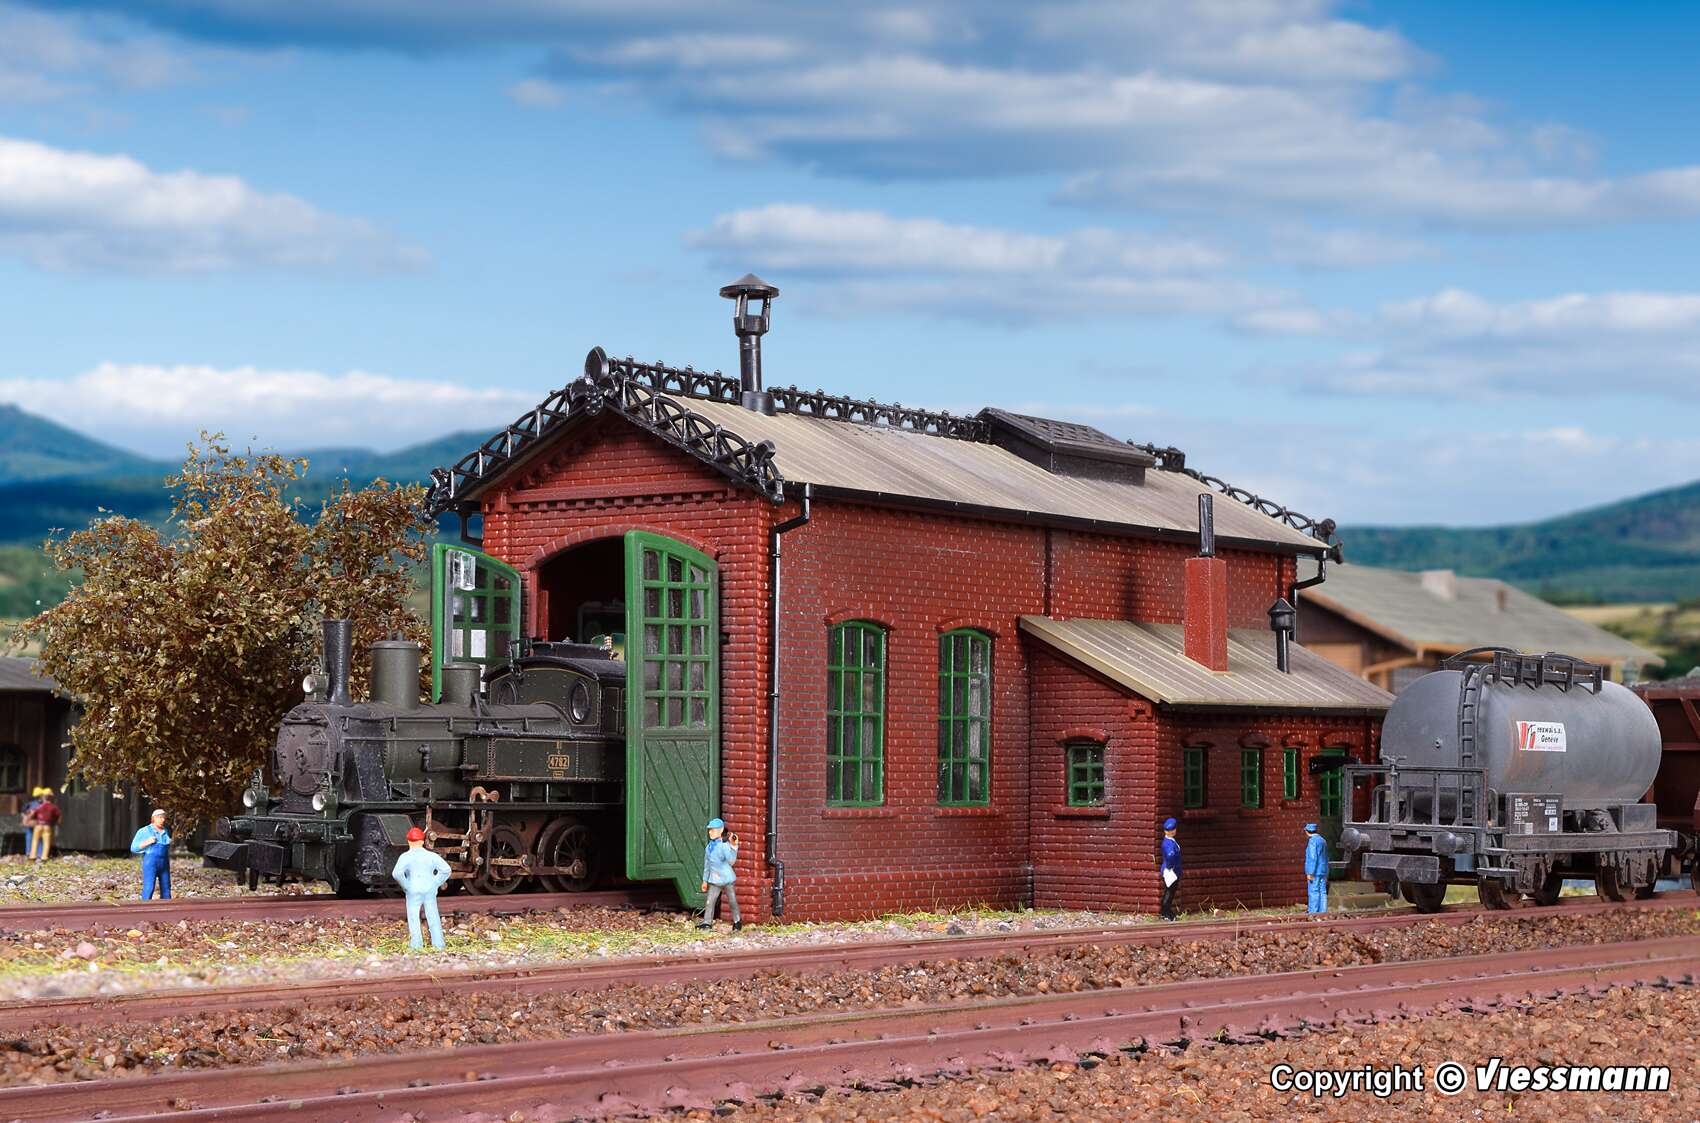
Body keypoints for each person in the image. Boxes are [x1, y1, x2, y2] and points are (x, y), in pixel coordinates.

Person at [392, 826, 451, 951]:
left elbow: (397, 874)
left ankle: (416, 945)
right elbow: (446, 870)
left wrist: (406, 886)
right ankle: (439, 944)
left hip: (413, 890)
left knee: (413, 917)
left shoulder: (405, 856)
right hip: (429, 889)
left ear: (408, 842)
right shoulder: (431, 856)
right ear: (423, 842)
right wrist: (436, 882)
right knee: (433, 915)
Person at [697, 817, 742, 932]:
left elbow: (731, 861)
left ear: (721, 830)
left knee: (732, 900)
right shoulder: (709, 848)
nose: (710, 832)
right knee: (710, 901)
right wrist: (704, 880)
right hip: (715, 880)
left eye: (713, 830)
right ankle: (707, 922)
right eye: (710, 830)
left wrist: (734, 847)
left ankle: (737, 921)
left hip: (727, 878)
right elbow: (707, 865)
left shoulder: (724, 846)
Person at [131, 809, 172, 900]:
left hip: (164, 863)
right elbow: (133, 848)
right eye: (160, 817)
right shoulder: (144, 831)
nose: (162, 820)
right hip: (151, 862)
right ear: (153, 818)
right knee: (149, 887)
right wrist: (147, 842)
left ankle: (167, 908)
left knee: (166, 887)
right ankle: (144, 907)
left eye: (164, 818)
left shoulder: (165, 831)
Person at [25, 789, 60, 861]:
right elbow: (58, 815)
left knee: (35, 840)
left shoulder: (39, 807)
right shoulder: (53, 807)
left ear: (43, 798)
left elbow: (32, 814)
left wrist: (28, 820)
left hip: (38, 825)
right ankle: (44, 857)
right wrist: (56, 823)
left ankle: (32, 856)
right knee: (46, 842)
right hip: (47, 826)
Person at [1159, 817, 1182, 921]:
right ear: (1165, 831)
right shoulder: (1168, 843)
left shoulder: (1171, 841)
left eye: (1173, 830)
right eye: (1169, 830)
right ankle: (1165, 912)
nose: (1172, 832)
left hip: (1173, 871)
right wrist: (1170, 867)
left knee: (1171, 892)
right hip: (1170, 872)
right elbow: (1170, 855)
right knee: (1169, 892)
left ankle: (1167, 911)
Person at [1304, 822, 1329, 913]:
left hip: (1315, 871)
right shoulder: (1323, 840)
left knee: (1313, 891)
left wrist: (1310, 872)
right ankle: (1323, 912)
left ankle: (1313, 912)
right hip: (1323, 870)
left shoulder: (1312, 842)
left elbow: (1312, 858)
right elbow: (1326, 857)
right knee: (1322, 891)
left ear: (1307, 832)